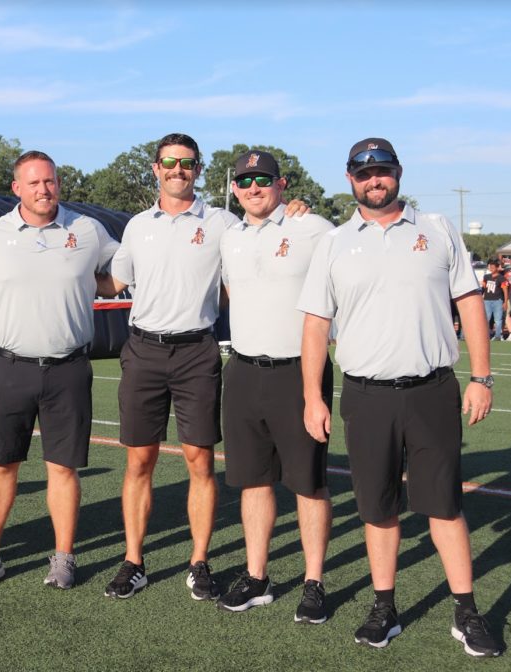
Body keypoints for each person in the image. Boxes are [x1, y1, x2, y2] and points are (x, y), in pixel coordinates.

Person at [299, 138, 504, 657]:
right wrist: (311, 398)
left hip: (432, 390)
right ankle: (384, 605)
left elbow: (471, 303)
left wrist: (482, 376)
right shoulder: (334, 242)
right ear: (350, 179)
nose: (376, 181)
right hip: (367, 396)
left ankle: (466, 610)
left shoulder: (436, 230)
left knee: (444, 505)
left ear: (399, 173)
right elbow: (315, 325)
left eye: (384, 171)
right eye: (365, 173)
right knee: (378, 508)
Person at [97, 134, 307, 601]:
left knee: (199, 461)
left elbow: (253, 263)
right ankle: (134, 561)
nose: (178, 170)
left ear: (199, 169)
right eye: (169, 162)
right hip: (144, 350)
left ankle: (199, 561)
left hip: (197, 351)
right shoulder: (136, 226)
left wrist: (294, 209)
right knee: (139, 460)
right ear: (155, 169)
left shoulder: (224, 224)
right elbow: (113, 281)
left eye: (187, 163)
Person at [0, 150, 118, 591]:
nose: (43, 190)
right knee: (0, 465)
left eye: (49, 181)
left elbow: (121, 271)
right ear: (16, 189)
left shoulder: (87, 230)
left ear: (58, 184)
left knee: (63, 468)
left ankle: (64, 557)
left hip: (68, 368)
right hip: (10, 365)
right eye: (33, 183)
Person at [215, 150, 335, 623]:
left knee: (308, 482)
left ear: (282, 184)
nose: (253, 187)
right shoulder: (229, 236)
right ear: (235, 188)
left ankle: (313, 582)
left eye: (263, 179)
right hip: (243, 369)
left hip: (297, 372)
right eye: (244, 181)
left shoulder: (315, 229)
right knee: (253, 480)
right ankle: (258, 575)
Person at [481, 260, 507, 341]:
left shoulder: (501, 278)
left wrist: (505, 302)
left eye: (493, 267)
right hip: (487, 300)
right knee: (486, 318)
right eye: (490, 267)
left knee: (498, 319)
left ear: (497, 267)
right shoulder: (486, 277)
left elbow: (505, 290)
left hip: (497, 300)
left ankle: (498, 335)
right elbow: (484, 288)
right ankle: (485, 335)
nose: (491, 268)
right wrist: (482, 297)